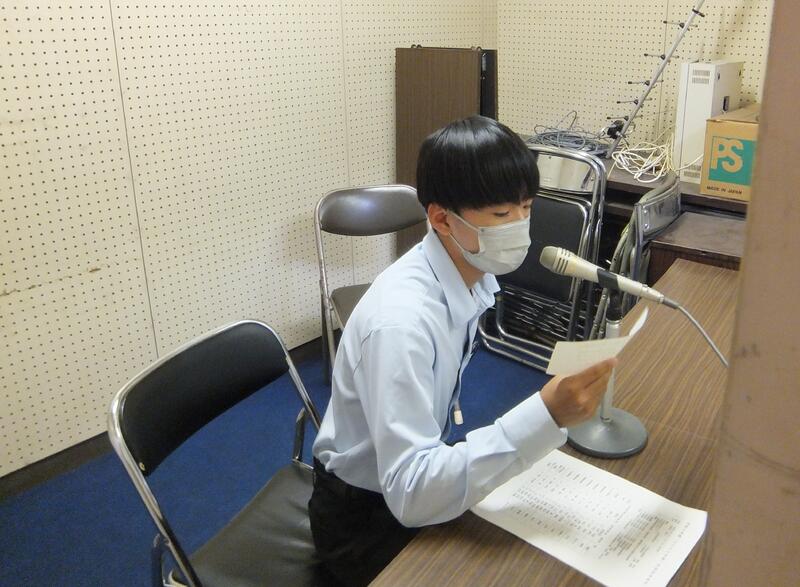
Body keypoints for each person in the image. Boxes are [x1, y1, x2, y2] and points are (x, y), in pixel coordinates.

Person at [309, 115, 616, 586]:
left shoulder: (466, 273)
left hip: (408, 468)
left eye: (526, 207)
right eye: (501, 215)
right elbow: (411, 493)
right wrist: (545, 414)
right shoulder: (401, 324)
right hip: (363, 514)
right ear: (441, 219)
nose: (520, 226)